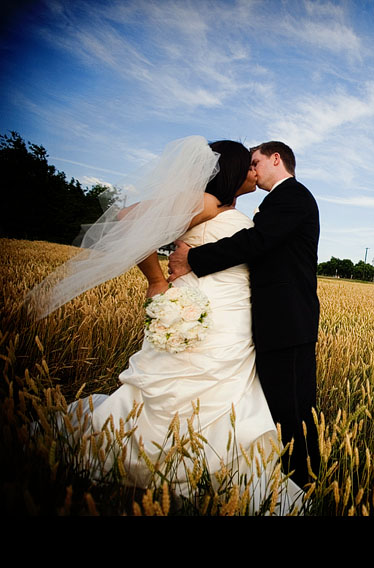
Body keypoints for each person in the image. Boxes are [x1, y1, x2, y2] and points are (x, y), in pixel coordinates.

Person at [29, 136, 303, 514]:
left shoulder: (229, 207)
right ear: (233, 170)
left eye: (258, 164)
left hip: (232, 318)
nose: (255, 171)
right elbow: (128, 220)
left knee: (225, 394)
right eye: (249, 165)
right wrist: (156, 280)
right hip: (200, 310)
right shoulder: (207, 202)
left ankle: (198, 466)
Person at [168, 141, 320, 488]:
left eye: (256, 162)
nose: (252, 170)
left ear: (276, 159)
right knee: (282, 408)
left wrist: (194, 259)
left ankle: (302, 486)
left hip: (287, 323)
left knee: (293, 410)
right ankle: (288, 481)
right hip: (277, 322)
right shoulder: (280, 201)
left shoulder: (293, 196)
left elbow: (256, 243)